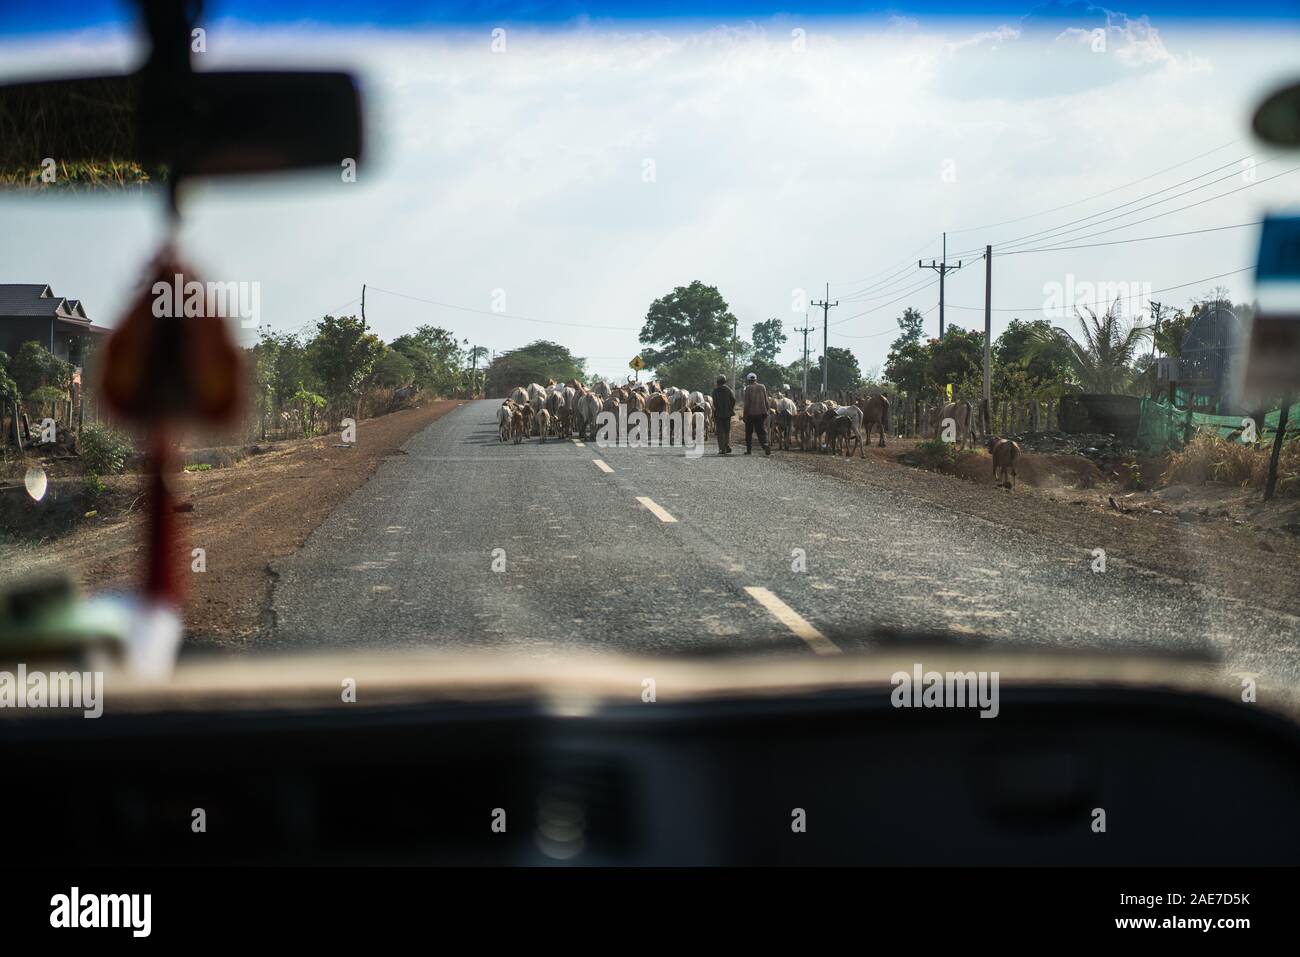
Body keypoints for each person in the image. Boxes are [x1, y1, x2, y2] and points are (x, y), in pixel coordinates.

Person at [741, 372, 770, 456]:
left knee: (749, 432)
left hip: (751, 414)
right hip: (761, 413)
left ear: (748, 380)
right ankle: (765, 445)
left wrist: (744, 415)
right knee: (761, 431)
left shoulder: (748, 388)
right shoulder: (762, 387)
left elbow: (746, 403)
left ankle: (749, 450)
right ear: (756, 379)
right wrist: (767, 410)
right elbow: (766, 400)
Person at [711, 375, 735, 454]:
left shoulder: (715, 391)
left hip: (719, 414)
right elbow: (733, 400)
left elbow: (714, 403)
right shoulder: (729, 390)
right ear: (724, 381)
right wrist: (730, 409)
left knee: (720, 431)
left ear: (718, 382)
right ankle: (726, 445)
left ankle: (722, 448)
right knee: (727, 430)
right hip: (727, 414)